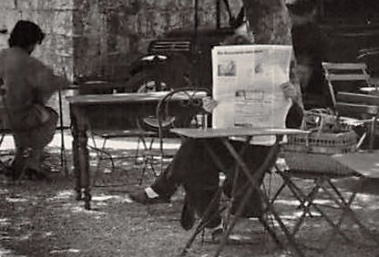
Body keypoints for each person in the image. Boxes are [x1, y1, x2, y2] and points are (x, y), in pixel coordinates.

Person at [130, 53, 308, 230]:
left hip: (259, 151)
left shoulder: (282, 89)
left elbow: (295, 124)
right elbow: (216, 126)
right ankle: (208, 220)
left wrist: (292, 100)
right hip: (232, 145)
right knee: (195, 150)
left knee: (194, 156)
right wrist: (212, 109)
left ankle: (166, 192)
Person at [0, 20, 72, 179]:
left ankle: (19, 158)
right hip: (16, 117)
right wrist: (64, 80)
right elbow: (49, 82)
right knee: (50, 116)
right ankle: (33, 161)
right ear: (30, 42)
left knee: (25, 110)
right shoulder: (27, 62)